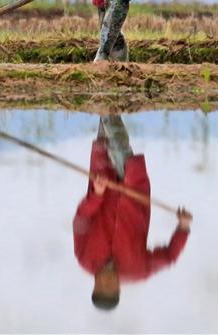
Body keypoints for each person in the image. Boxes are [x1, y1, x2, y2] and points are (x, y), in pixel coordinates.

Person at [73, 114, 192, 311]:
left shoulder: (84, 259)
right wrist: (183, 226)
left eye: (101, 286)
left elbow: (81, 219)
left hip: (103, 183)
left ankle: (108, 101)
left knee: (104, 139)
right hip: (133, 193)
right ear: (119, 288)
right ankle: (111, 105)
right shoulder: (139, 271)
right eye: (110, 287)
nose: (106, 282)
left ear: (94, 285)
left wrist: (97, 194)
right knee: (120, 148)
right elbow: (169, 256)